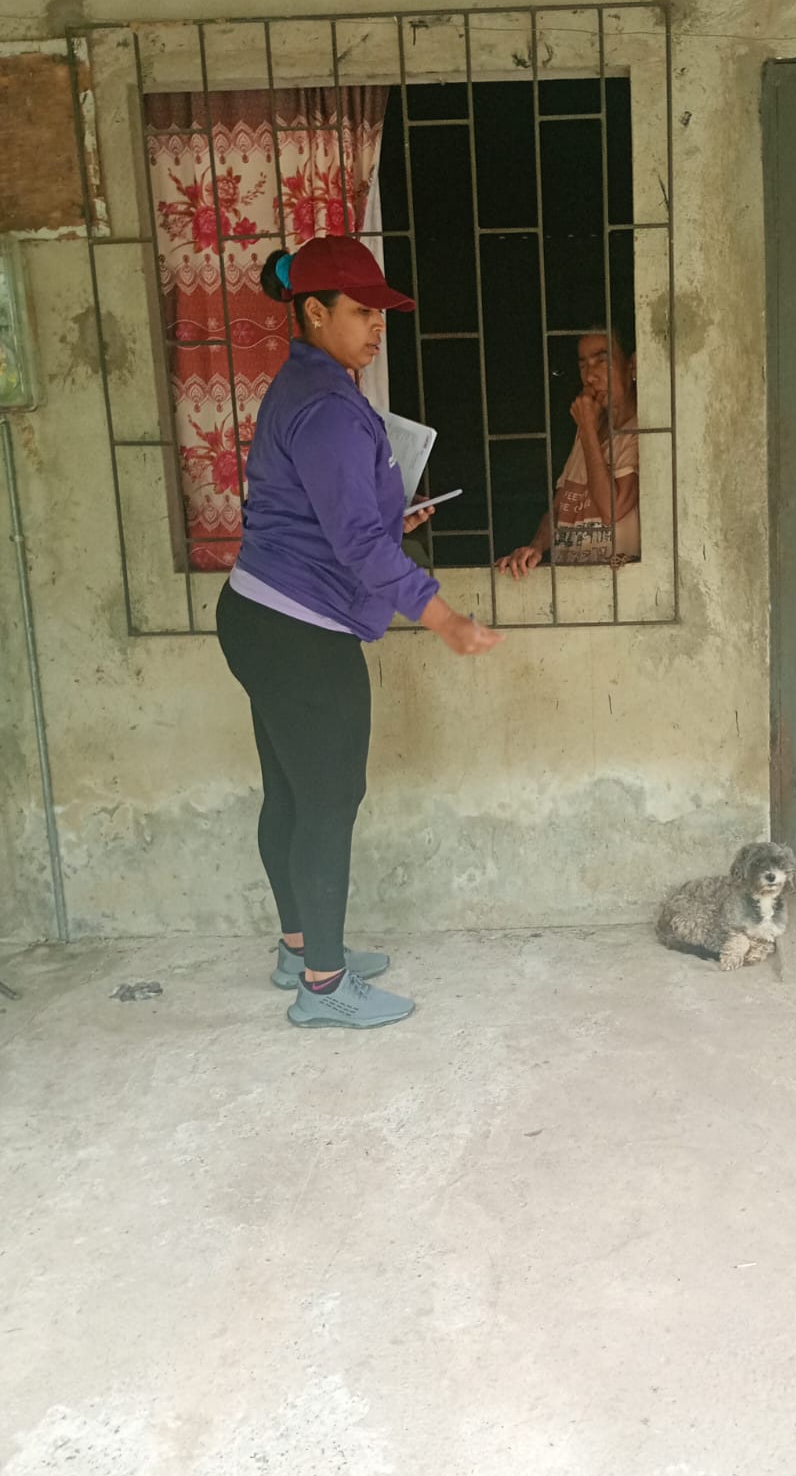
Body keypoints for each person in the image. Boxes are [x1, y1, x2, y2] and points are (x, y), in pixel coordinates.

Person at [216, 234, 501, 1030]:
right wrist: (442, 617)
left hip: (260, 616)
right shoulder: (328, 408)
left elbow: (328, 512)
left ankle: (300, 947)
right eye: (362, 311)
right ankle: (324, 985)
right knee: (330, 801)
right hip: (300, 630)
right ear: (314, 312)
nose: (378, 326)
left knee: (294, 794)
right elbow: (359, 549)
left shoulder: (306, 386)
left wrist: (384, 513)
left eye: (382, 312)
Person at [495, 327, 638, 577]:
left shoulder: (642, 431)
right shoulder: (588, 429)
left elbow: (612, 510)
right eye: (583, 365)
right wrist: (536, 547)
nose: (590, 377)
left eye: (602, 361)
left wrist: (588, 430)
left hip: (619, 586)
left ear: (632, 365)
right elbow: (560, 507)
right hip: (571, 585)